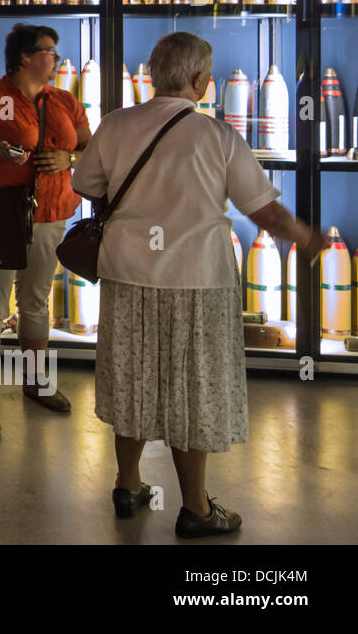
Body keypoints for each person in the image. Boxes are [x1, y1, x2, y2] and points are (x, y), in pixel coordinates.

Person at [72, 32, 325, 538]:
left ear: (151, 74)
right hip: (198, 283)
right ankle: (195, 509)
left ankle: (128, 483)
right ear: (200, 82)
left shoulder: (116, 124)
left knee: (133, 380)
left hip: (127, 276)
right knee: (193, 391)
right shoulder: (217, 137)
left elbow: (85, 184)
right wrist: (305, 237)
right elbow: (265, 210)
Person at [0, 24, 91, 434]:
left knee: (36, 300)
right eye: (50, 51)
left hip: (51, 213)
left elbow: (90, 149)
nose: (57, 58)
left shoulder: (66, 101)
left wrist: (69, 159)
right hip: (1, 213)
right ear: (26, 57)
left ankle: (36, 382)